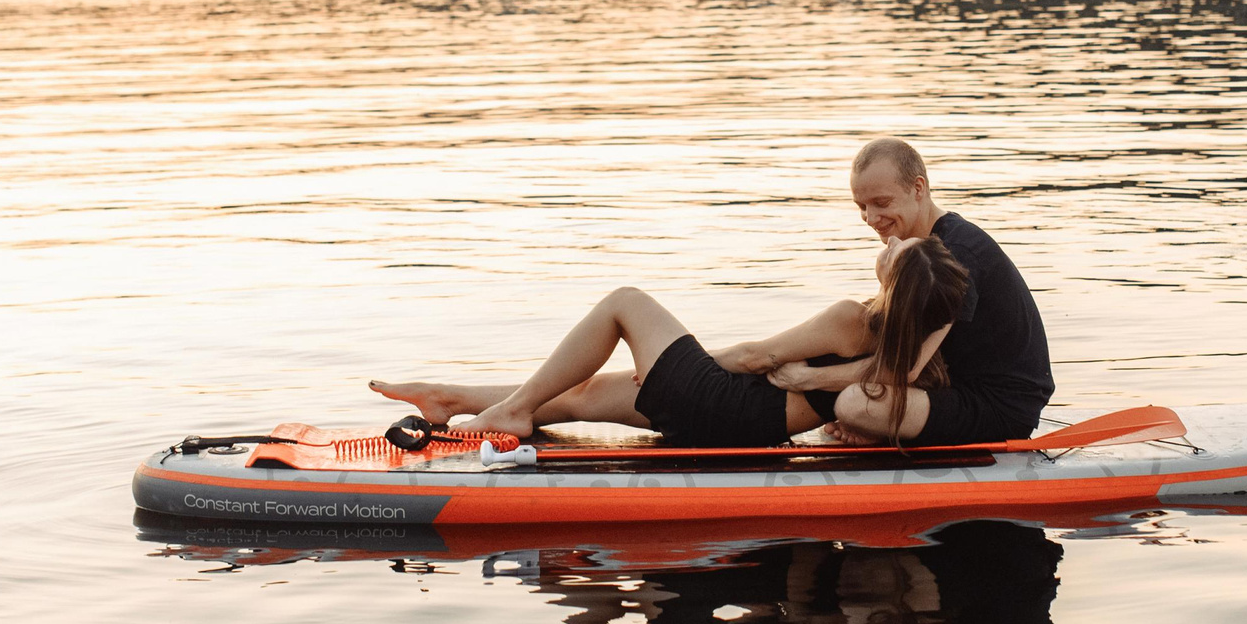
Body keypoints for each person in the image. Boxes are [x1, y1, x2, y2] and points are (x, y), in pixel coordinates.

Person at [369, 231, 971, 447]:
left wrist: (679, 364)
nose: (886, 245)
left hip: (724, 401)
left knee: (625, 303)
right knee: (580, 394)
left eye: (897, 251)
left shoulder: (853, 318)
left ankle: (514, 412)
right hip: (744, 422)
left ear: (896, 284)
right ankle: (448, 399)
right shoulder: (904, 345)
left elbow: (754, 356)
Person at [718, 137, 1053, 445]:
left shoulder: (950, 257)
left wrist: (808, 379)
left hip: (997, 409)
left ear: (918, 188)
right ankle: (724, 373)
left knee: (855, 402)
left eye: (881, 202)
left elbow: (903, 369)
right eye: (862, 206)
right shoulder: (918, 249)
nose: (871, 218)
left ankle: (872, 430)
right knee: (854, 327)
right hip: (953, 385)